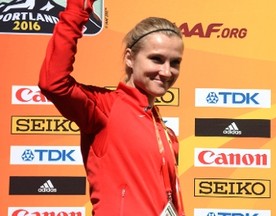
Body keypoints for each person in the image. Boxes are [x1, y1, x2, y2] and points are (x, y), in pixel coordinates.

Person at [38, 0, 185, 215]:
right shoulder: (106, 108)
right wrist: (78, 9)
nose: (166, 71)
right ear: (129, 58)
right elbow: (53, 83)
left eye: (175, 63)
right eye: (156, 59)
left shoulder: (165, 131)